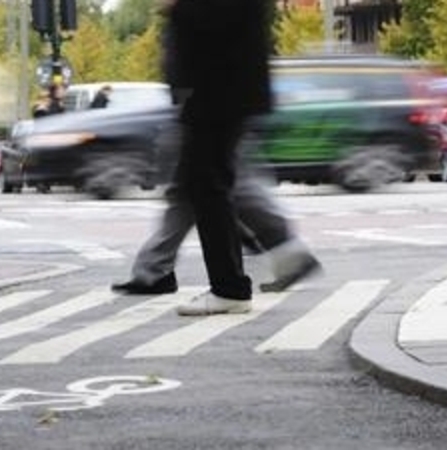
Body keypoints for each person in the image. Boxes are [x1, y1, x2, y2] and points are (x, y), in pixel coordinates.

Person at [145, 0, 273, 316]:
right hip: (223, 88)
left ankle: (229, 287)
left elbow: (216, 18)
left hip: (218, 89)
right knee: (208, 183)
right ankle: (231, 283)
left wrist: (176, 8)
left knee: (206, 184)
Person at [111, 137, 321, 296]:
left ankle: (287, 253)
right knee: (186, 190)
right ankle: (154, 270)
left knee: (222, 179)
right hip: (201, 103)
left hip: (212, 103)